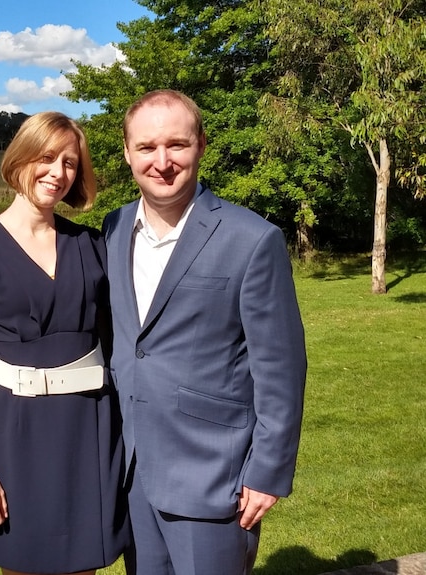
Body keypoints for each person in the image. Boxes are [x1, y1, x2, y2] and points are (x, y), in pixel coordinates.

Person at [102, 89, 307, 575]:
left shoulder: (252, 239)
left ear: (201, 146)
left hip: (215, 476)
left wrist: (267, 471)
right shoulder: (112, 229)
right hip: (131, 470)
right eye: (147, 147)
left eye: (177, 144)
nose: (162, 161)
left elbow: (280, 365)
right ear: (128, 153)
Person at [0, 111, 130, 575]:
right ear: (21, 158)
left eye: (70, 163)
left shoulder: (93, 246)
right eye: (47, 157)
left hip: (88, 426)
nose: (58, 173)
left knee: (82, 566)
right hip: (13, 433)